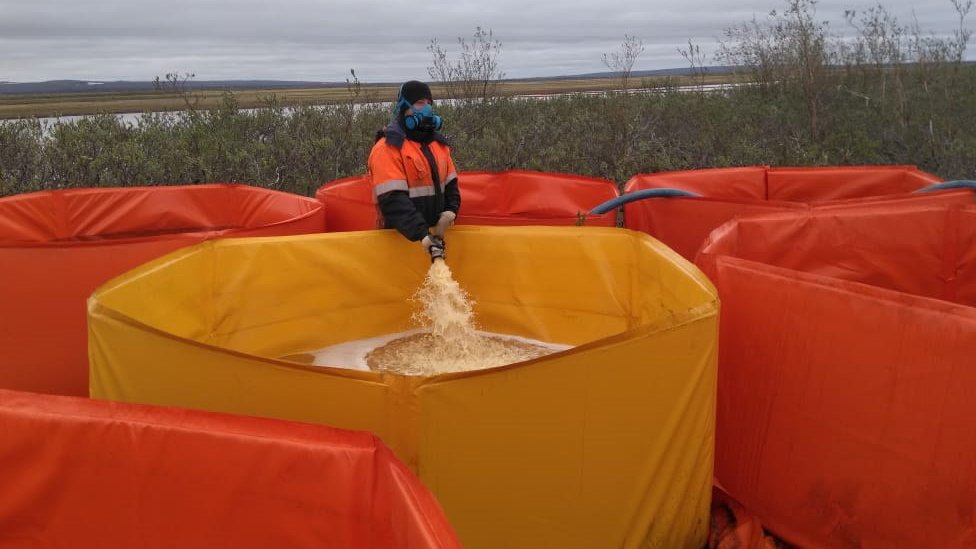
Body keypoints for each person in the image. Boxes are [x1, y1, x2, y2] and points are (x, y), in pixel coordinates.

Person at [367, 80, 460, 261]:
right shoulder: (387, 148)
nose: (426, 109)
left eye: (428, 103)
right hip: (399, 241)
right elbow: (393, 200)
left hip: (434, 240)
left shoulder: (438, 145)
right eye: (419, 103)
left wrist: (450, 212)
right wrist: (423, 236)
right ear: (403, 107)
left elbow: (452, 185)